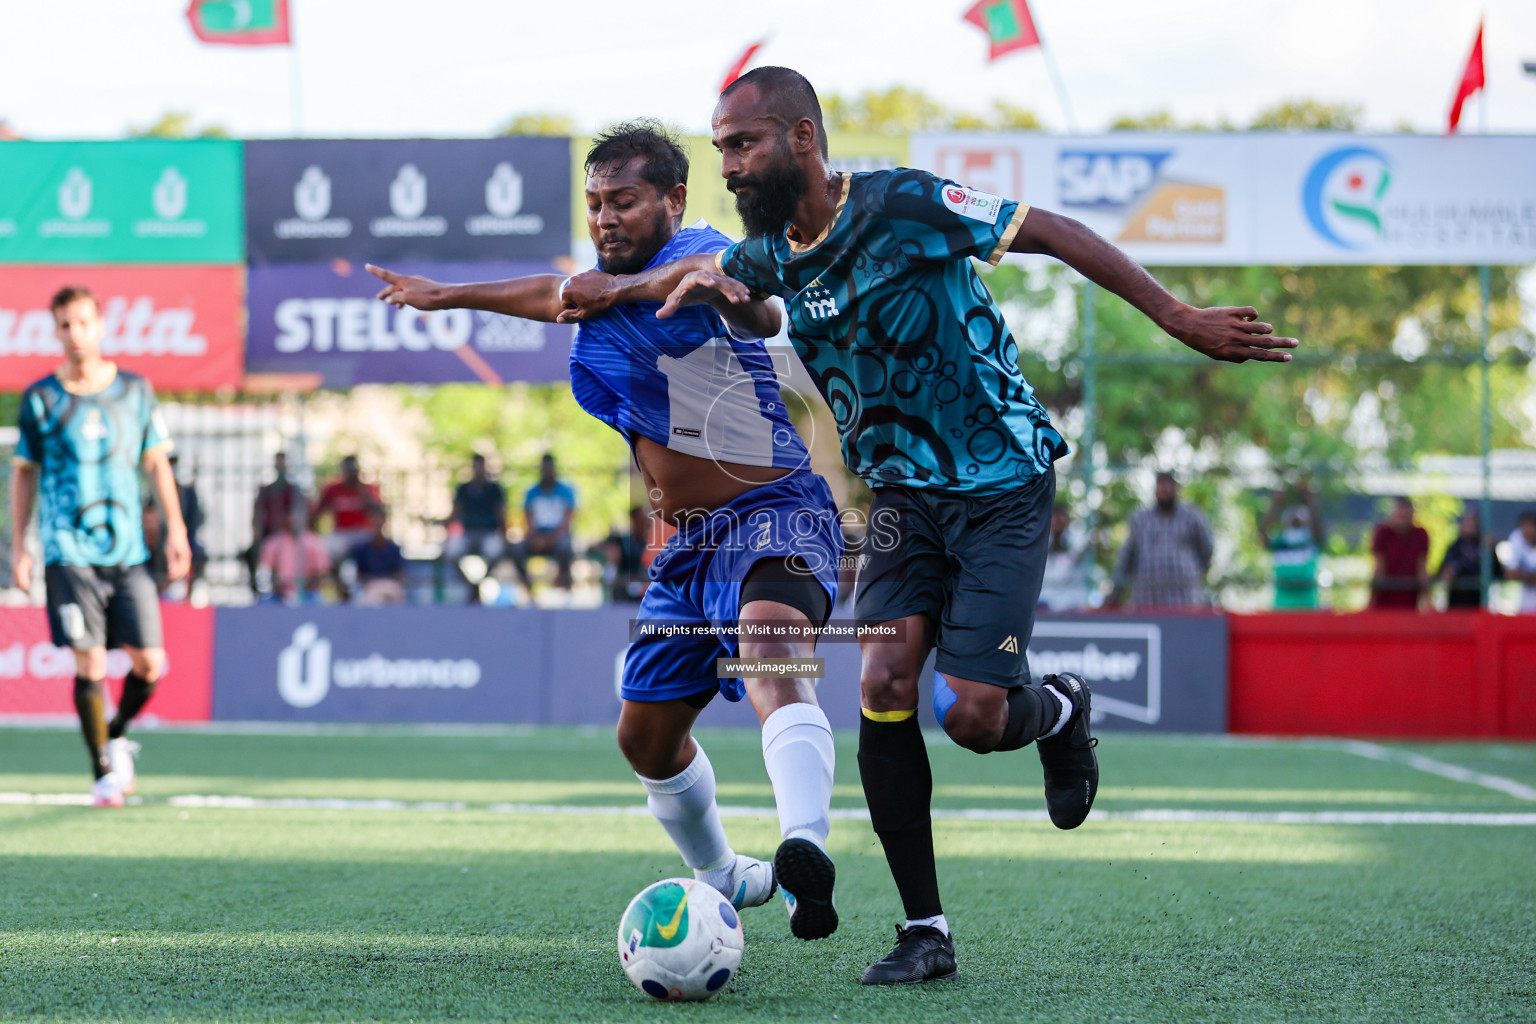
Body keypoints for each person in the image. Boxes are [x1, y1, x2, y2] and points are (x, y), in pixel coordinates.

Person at [555, 68, 1295, 983]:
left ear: (801, 139)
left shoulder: (905, 201)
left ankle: (1058, 710)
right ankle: (924, 932)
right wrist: (588, 293)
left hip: (1001, 480)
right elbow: (672, 280)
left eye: (741, 145)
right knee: (884, 675)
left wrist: (1177, 315)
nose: (730, 167)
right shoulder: (767, 259)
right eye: (720, 152)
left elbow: (1052, 230)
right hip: (903, 497)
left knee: (977, 718)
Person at [368, 121, 845, 938]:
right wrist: (445, 295)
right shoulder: (597, 288)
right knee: (646, 741)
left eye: (623, 200)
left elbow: (757, 304)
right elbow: (552, 295)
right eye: (594, 203)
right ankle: (727, 875)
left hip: (774, 513)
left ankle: (808, 849)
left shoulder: (703, 251)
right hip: (687, 549)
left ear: (673, 199)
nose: (606, 217)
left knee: (769, 642)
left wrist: (652, 292)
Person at [10, 286, 191, 808]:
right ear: (56, 331)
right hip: (67, 551)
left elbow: (156, 462)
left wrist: (176, 531)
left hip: (127, 551)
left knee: (150, 664)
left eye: (83, 322)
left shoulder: (135, 391)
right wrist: (20, 545)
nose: (75, 334)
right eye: (65, 325)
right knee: (88, 665)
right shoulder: (41, 398)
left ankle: (113, 732)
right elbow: (24, 473)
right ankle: (103, 775)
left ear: (101, 325)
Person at [1110, 472, 1214, 608]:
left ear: (1177, 488)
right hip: (1148, 597)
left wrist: (1193, 574)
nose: (1165, 489)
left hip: (1184, 596)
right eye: (1161, 485)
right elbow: (1127, 556)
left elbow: (1206, 549)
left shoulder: (1192, 517)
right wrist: (1116, 591)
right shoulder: (1141, 519)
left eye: (1169, 485)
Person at [508, 454, 578, 593]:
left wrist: (550, 539)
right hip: (537, 537)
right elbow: (527, 519)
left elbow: (567, 522)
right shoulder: (531, 492)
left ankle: (564, 583)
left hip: (558, 537)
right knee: (516, 549)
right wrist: (536, 537)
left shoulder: (566, 491)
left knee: (566, 547)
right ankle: (527, 585)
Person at [1260, 482, 1325, 610]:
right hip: (1282, 607)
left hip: (1308, 607)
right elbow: (1263, 536)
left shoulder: (1310, 542)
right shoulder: (1280, 543)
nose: (1296, 517)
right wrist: (1274, 505)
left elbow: (1319, 533)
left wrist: (1310, 499)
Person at [250, 451, 305, 593]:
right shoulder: (266, 490)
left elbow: (300, 512)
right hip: (269, 533)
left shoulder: (294, 490)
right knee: (253, 553)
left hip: (289, 534)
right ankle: (259, 590)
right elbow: (257, 512)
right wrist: (257, 531)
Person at [258, 499, 332, 603]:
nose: (295, 519)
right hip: (279, 596)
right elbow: (265, 571)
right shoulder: (273, 543)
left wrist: (306, 585)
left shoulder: (315, 542)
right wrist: (278, 584)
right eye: (291, 515)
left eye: (299, 515)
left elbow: (322, 573)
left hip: (308, 595)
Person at [310, 454, 381, 561]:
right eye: (348, 470)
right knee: (325, 549)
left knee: (372, 548)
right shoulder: (333, 489)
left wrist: (364, 494)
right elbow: (317, 512)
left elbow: (378, 510)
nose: (351, 473)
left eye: (354, 470)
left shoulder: (367, 489)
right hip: (341, 533)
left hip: (363, 532)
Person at [444, 453, 507, 571]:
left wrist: (505, 535)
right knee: (451, 551)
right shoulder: (463, 489)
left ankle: (481, 581)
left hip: (489, 533)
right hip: (467, 533)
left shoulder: (494, 489)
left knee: (495, 551)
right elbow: (455, 512)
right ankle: (469, 585)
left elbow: (501, 513)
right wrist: (445, 531)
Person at [1369, 497, 1430, 610]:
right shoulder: (1383, 533)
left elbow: (1421, 567)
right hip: (1384, 600)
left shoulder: (1420, 535)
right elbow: (1379, 566)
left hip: (1409, 600)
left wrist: (1428, 602)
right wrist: (1371, 601)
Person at [1436, 510, 1502, 610]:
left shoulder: (1484, 546)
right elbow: (1443, 573)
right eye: (1466, 523)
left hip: (1479, 602)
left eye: (1472, 524)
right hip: (1457, 602)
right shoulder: (1454, 547)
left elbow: (1498, 572)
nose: (1469, 527)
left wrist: (1492, 549)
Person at [1037, 503, 1096, 612]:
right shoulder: (1040, 543)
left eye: (1062, 517)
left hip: (1072, 604)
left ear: (1068, 520)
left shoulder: (1078, 542)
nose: (1058, 521)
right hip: (1045, 603)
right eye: (1055, 517)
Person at [346, 508, 408, 605]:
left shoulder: (394, 549)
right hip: (370, 586)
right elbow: (358, 575)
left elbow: (401, 574)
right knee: (369, 599)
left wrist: (387, 582)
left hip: (390, 586)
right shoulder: (362, 549)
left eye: (380, 518)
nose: (377, 522)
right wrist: (370, 582)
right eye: (375, 519)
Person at [602, 505, 655, 603]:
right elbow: (596, 545)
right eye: (642, 520)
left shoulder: (652, 544)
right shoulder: (621, 541)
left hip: (644, 587)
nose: (646, 523)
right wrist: (611, 552)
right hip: (623, 587)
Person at [1504, 511, 1536, 613]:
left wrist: (1523, 574)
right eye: (1524, 526)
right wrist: (1530, 576)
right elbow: (1511, 574)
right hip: (1524, 599)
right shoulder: (1517, 537)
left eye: (1531, 526)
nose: (1527, 530)